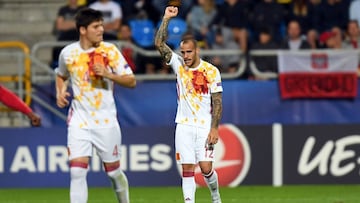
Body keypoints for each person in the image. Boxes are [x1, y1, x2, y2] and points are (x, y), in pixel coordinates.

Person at [55, 8, 136, 203]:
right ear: (83, 30)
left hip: (105, 121)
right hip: (79, 121)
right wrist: (60, 92)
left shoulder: (109, 51)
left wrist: (109, 74)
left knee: (113, 173)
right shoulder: (68, 53)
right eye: (96, 26)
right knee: (76, 172)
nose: (101, 30)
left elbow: (131, 81)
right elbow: (61, 74)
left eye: (101, 25)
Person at [155, 6, 223, 203]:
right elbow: (159, 43)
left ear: (197, 51)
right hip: (183, 125)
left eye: (189, 52)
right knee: (187, 168)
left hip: (204, 126)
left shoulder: (211, 71)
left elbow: (217, 101)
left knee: (206, 168)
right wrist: (166, 18)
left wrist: (215, 128)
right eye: (183, 52)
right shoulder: (178, 65)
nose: (185, 56)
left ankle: (215, 196)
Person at [52, 0, 86, 68]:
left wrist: (67, 23)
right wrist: (76, 23)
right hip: (64, 37)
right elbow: (60, 25)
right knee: (57, 52)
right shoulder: (63, 10)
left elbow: (84, 24)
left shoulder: (83, 9)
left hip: (79, 38)